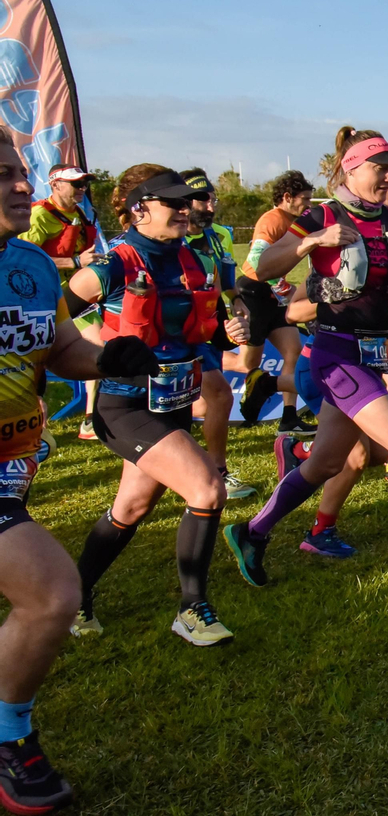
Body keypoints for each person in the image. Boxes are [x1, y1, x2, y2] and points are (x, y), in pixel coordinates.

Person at [221, 127, 388, 591]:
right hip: (336, 353)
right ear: (351, 168)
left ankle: (251, 531)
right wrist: (311, 240)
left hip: (378, 348)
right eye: (380, 170)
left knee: (325, 463)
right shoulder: (320, 214)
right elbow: (259, 269)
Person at [0, 136, 155, 816]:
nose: (20, 185)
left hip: (15, 468)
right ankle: (9, 741)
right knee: (54, 594)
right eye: (4, 174)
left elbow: (59, 346)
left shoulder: (30, 263)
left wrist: (109, 358)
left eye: (19, 171)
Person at [67, 164, 245, 647]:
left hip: (174, 401)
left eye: (187, 203)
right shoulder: (117, 263)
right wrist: (98, 343)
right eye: (174, 203)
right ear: (139, 209)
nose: (185, 211)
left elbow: (207, 322)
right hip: (125, 407)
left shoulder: (189, 258)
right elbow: (61, 309)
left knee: (133, 505)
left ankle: (75, 596)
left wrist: (231, 326)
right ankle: (192, 609)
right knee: (207, 489)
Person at [177, 169, 261, 501]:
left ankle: (213, 472)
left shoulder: (218, 236)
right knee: (214, 397)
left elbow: (228, 283)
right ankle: (211, 474)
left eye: (213, 199)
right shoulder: (173, 239)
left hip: (206, 331)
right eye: (203, 199)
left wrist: (239, 304)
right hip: (176, 333)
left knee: (214, 397)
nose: (210, 206)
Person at [26, 164, 104, 443]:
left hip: (78, 296)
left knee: (99, 348)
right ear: (55, 185)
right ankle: (34, 424)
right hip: (45, 298)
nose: (81, 189)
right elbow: (26, 257)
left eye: (84, 184)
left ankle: (90, 419)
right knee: (34, 360)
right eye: (75, 184)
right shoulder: (39, 215)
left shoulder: (82, 213)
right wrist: (73, 262)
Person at [237, 170, 317, 435]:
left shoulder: (295, 221)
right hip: (253, 293)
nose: (309, 205)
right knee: (247, 365)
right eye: (304, 199)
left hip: (272, 296)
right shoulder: (271, 220)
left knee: (293, 351)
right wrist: (287, 290)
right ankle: (205, 359)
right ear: (287, 197)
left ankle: (289, 417)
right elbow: (259, 264)